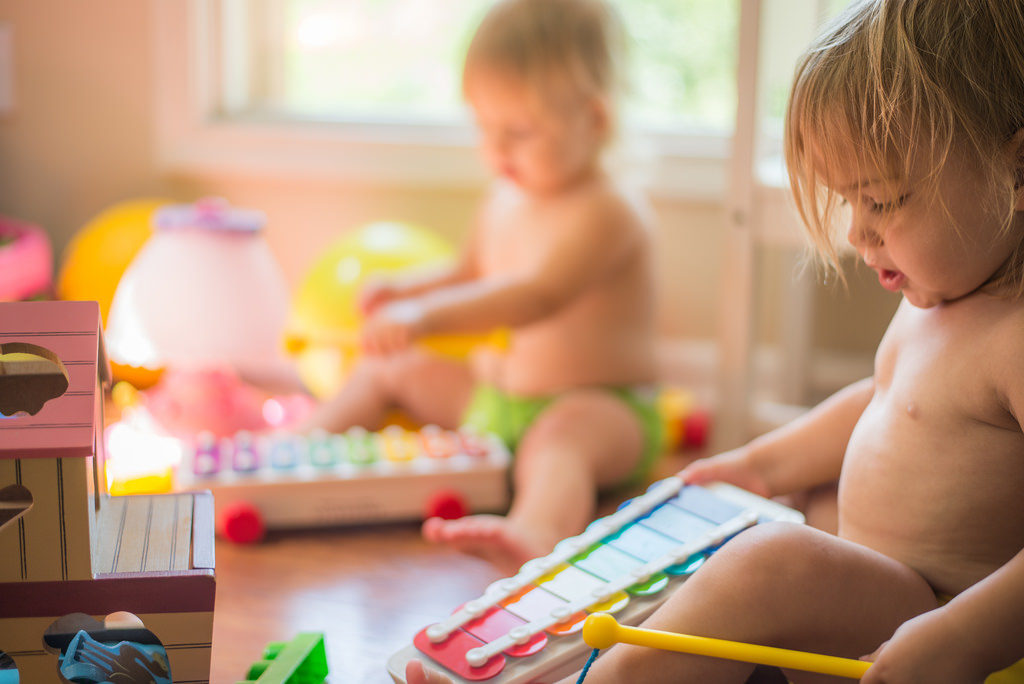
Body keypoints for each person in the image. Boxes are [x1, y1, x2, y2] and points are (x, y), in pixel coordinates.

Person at [405, 0, 1024, 681]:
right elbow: (882, 401)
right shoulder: (941, 296)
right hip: (883, 594)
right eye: (849, 201)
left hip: (940, 622)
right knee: (750, 528)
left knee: (769, 563)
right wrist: (760, 467)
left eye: (883, 200)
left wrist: (963, 636)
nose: (856, 233)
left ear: (1016, 171)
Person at [302, 0, 662, 575]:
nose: (495, 150)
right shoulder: (504, 199)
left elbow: (534, 296)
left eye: (517, 132)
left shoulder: (609, 211)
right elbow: (467, 272)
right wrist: (404, 289)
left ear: (594, 119)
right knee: (386, 368)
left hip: (603, 410)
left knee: (561, 437)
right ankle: (298, 449)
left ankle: (533, 533)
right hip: (500, 403)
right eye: (484, 128)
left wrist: (423, 316)